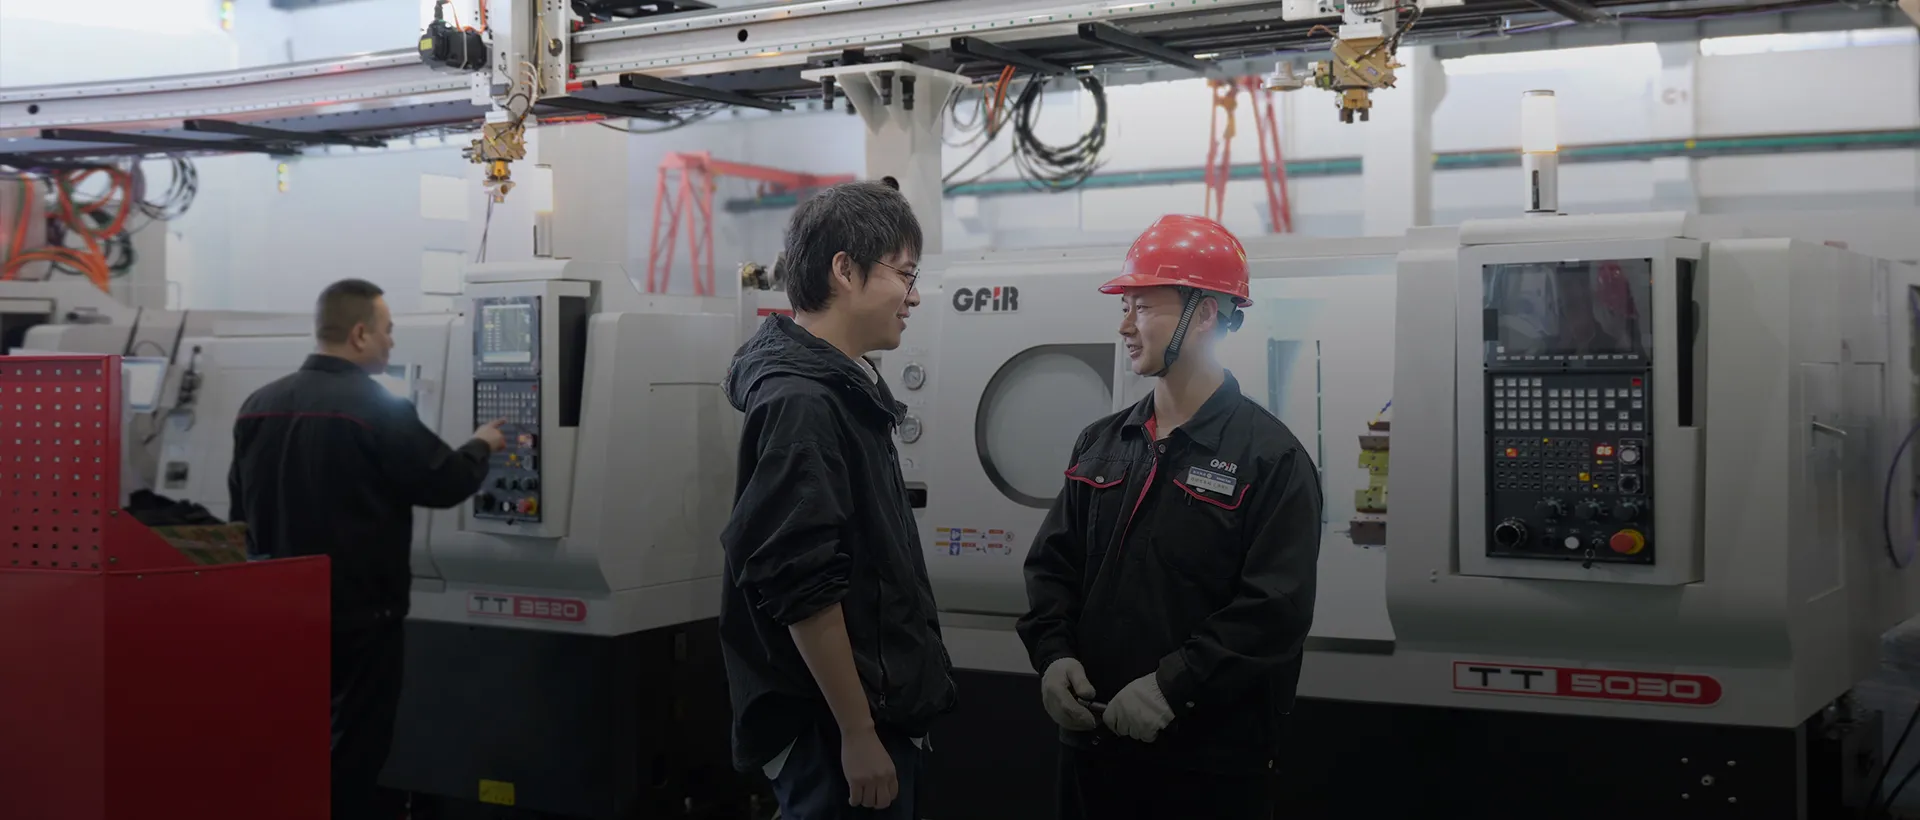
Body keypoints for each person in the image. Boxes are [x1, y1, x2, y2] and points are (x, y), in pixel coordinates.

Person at [1017, 214, 1324, 820]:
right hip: (1093, 749)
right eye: (1124, 307)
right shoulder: (1102, 443)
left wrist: (1172, 687)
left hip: (1206, 763)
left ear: (1204, 314)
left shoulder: (1272, 459)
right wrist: (1053, 657)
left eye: (1142, 307)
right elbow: (1053, 568)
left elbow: (1274, 610)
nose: (1124, 326)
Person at [718, 181, 957, 818]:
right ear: (845, 270)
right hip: (830, 731)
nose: (914, 296)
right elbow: (801, 582)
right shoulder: (803, 402)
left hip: (867, 714)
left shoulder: (843, 388)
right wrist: (857, 731)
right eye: (904, 274)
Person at [228, 278, 507, 820]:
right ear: (359, 334)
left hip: (278, 612)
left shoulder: (258, 405)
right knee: (355, 749)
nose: (391, 342)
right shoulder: (375, 406)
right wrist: (482, 445)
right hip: (359, 616)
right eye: (387, 330)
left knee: (294, 742)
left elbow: (240, 509)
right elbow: (443, 482)